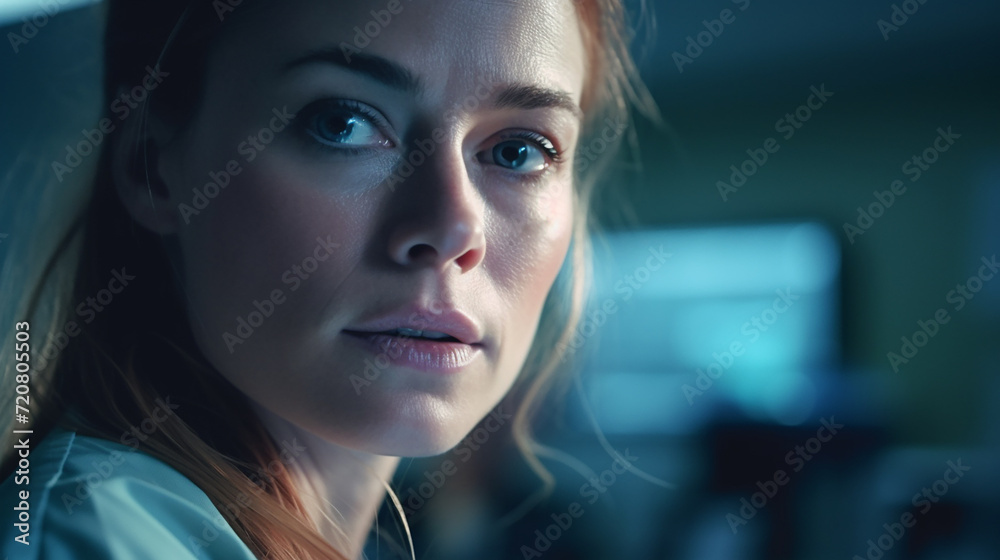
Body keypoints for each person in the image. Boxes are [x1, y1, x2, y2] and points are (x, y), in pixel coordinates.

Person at [0, 0, 656, 557]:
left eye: (519, 151)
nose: (455, 229)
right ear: (152, 165)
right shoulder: (98, 532)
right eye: (341, 123)